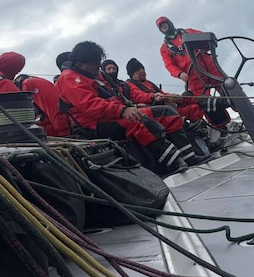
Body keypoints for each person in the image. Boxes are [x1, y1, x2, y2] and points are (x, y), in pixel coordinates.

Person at [56, 41, 206, 173]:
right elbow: (91, 106)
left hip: (114, 114)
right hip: (94, 124)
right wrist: (123, 110)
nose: (98, 65)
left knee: (168, 113)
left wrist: (128, 107)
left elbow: (116, 96)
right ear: (81, 62)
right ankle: (174, 163)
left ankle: (189, 156)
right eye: (94, 62)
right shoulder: (69, 78)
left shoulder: (94, 74)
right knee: (137, 121)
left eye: (98, 61)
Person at [125, 57, 230, 128]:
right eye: (137, 70)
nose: (141, 71)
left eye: (142, 68)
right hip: (160, 111)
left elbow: (162, 93)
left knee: (189, 95)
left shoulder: (149, 83)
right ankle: (222, 107)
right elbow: (139, 96)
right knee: (193, 109)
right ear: (131, 74)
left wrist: (172, 96)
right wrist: (154, 96)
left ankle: (220, 121)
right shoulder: (130, 85)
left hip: (168, 105)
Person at [156, 16, 225, 98]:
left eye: (164, 23)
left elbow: (208, 38)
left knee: (226, 87)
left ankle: (237, 104)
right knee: (203, 99)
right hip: (193, 75)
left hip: (209, 66)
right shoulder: (164, 49)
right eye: (161, 26)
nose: (163, 26)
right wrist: (179, 74)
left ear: (169, 23)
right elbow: (169, 65)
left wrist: (204, 47)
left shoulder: (188, 32)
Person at [15, 73, 71, 137]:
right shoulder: (27, 87)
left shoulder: (30, 84)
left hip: (61, 133)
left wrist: (64, 135)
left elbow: (55, 110)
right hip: (49, 134)